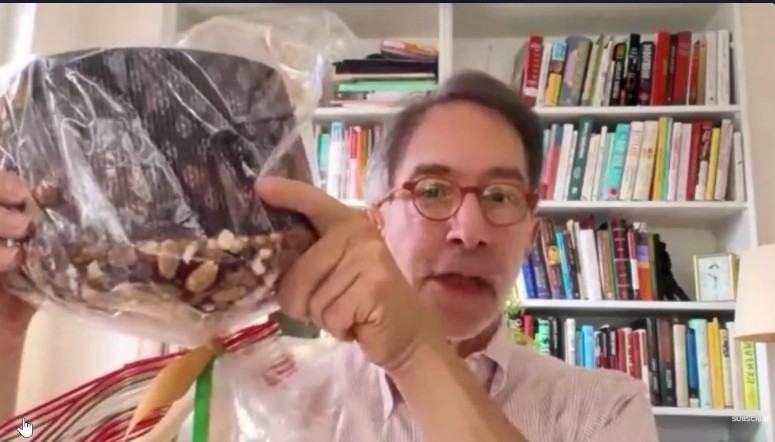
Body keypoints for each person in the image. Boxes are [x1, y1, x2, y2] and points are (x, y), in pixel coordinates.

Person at [0, 70, 659, 441]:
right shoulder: (263, 398)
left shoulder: (602, 408)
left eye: (500, 196)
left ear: (530, 230)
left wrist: (415, 353)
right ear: (375, 218)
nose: (469, 229)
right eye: (432, 190)